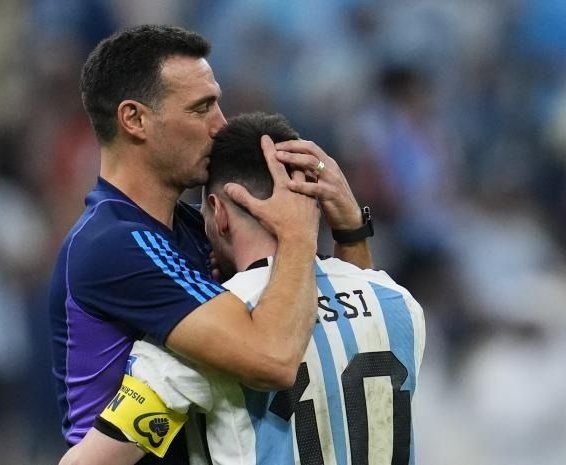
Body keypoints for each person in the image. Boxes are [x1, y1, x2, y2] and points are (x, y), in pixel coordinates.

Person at [50, 25, 375, 463]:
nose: (221, 125)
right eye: (201, 108)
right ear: (134, 120)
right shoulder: (112, 245)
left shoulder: (198, 228)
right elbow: (274, 359)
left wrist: (351, 231)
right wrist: (300, 232)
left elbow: (340, 331)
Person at [64, 113, 425, 465]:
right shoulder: (399, 305)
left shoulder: (216, 335)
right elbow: (344, 332)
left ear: (218, 213)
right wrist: (351, 231)